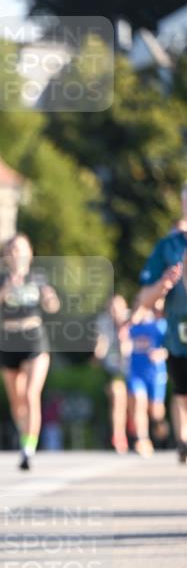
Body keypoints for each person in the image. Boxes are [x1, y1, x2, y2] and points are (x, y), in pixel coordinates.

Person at [0, 233, 60, 470]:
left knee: (30, 394)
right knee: (17, 401)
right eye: (12, 249)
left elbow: (52, 305)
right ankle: (24, 433)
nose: (16, 253)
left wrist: (49, 298)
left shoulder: (38, 277)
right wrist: (6, 289)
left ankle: (28, 449)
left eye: (20, 249)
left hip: (34, 341)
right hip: (8, 342)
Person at [138, 184, 187, 462]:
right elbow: (144, 297)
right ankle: (183, 443)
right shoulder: (168, 247)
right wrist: (163, 285)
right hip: (179, 335)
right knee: (182, 394)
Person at [125, 299, 168, 456]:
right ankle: (142, 440)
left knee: (156, 412)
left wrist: (163, 353)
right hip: (137, 373)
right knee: (139, 402)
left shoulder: (160, 325)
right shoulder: (131, 328)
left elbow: (170, 346)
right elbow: (123, 343)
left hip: (156, 374)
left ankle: (161, 429)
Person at [93, 294, 131, 453]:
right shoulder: (103, 321)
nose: (114, 312)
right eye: (111, 309)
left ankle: (138, 431)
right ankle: (118, 435)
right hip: (113, 367)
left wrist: (125, 337)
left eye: (117, 308)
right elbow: (101, 343)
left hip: (134, 366)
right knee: (117, 398)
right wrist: (98, 352)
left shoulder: (133, 319)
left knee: (136, 404)